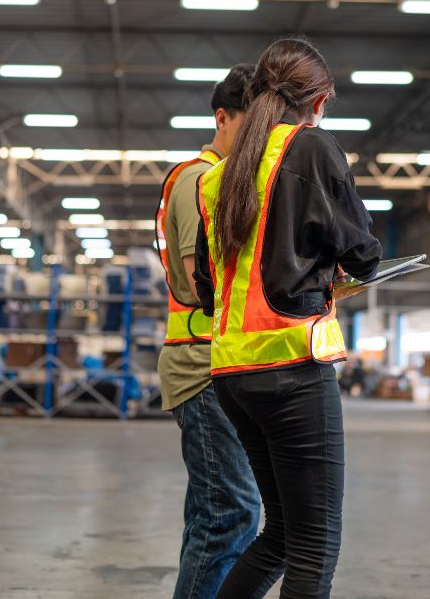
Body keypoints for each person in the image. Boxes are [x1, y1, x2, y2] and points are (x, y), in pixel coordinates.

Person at [193, 37, 382, 598]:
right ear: (318, 101)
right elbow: (362, 253)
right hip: (292, 368)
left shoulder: (218, 176)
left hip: (231, 375)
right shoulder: (312, 148)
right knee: (313, 547)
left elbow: (207, 288)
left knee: (279, 538)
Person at [156, 64, 262, 599]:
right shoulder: (200, 181)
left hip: (216, 365)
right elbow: (207, 284)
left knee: (212, 514)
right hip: (200, 371)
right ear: (223, 118)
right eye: (251, 126)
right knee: (232, 515)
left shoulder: (225, 182)